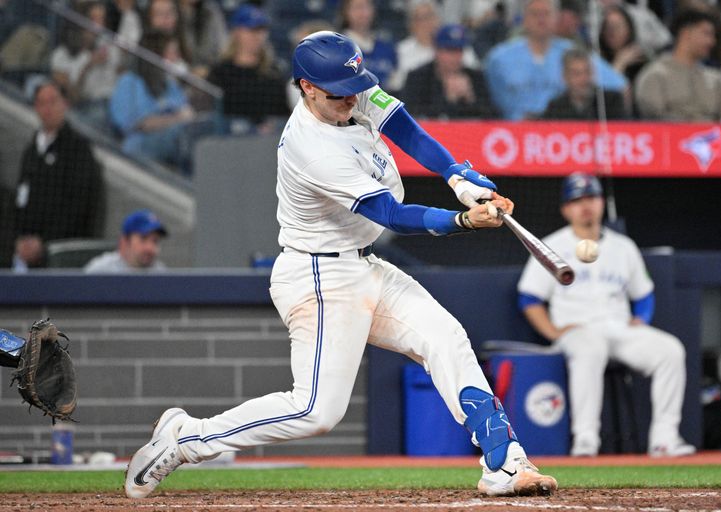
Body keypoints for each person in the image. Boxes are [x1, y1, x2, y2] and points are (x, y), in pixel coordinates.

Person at [125, 30, 558, 500]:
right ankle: (186, 438)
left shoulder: (349, 88)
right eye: (338, 93)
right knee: (315, 411)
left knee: (446, 338)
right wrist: (462, 219)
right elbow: (389, 214)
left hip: (364, 264)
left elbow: (406, 129)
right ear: (307, 87)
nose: (351, 99)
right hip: (318, 276)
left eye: (355, 87)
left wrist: (456, 173)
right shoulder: (310, 147)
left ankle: (505, 464)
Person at [517, 173, 695, 457]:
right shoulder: (550, 246)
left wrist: (643, 318)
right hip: (576, 331)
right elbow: (529, 298)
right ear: (566, 208)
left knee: (670, 350)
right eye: (576, 200)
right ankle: (585, 439)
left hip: (619, 328)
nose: (585, 205)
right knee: (590, 347)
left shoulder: (623, 247)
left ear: (602, 202)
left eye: (591, 197)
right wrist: (552, 332)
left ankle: (665, 439)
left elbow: (644, 293)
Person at [12, 81, 104, 271]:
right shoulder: (31, 151)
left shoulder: (78, 149)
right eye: (41, 103)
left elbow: (79, 205)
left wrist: (44, 242)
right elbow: (21, 198)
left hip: (63, 253)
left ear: (64, 104)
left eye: (53, 101)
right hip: (27, 254)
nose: (47, 109)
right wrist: (21, 240)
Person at [484, 0, 626, 120]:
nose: (541, 20)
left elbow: (620, 85)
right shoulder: (499, 58)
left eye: (546, 14)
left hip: (561, 131)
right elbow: (489, 99)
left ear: (556, 18)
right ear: (524, 18)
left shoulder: (573, 52)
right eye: (535, 14)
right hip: (512, 135)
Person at [108, 31, 195, 168]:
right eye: (172, 52)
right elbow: (141, 124)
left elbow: (187, 113)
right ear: (156, 55)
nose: (176, 57)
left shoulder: (168, 84)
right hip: (138, 146)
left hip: (169, 141)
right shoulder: (129, 81)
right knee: (181, 135)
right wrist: (177, 119)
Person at [634, 9, 721, 122]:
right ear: (686, 34)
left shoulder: (716, 79)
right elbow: (653, 119)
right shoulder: (655, 75)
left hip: (714, 137)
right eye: (706, 34)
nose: (712, 41)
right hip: (671, 137)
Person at [207, 4, 289, 134]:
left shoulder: (274, 73)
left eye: (261, 30)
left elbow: (283, 113)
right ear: (236, 32)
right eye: (251, 30)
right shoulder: (221, 72)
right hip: (229, 141)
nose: (257, 36)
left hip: (269, 141)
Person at [50, 1, 121, 126]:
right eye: (93, 19)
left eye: (102, 20)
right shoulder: (61, 55)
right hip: (82, 105)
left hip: (110, 103)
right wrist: (88, 66)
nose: (98, 25)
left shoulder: (109, 46)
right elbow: (72, 97)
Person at [401, 24, 495, 119]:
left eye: (459, 50)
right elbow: (413, 115)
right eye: (450, 50)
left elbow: (492, 116)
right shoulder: (418, 78)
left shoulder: (475, 77)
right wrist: (447, 99)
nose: (455, 57)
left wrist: (471, 99)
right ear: (436, 50)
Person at [541, 47, 629, 120]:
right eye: (576, 74)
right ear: (565, 77)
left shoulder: (610, 101)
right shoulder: (556, 107)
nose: (584, 79)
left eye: (587, 72)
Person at [84, 209, 168, 273]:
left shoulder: (160, 273)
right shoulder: (101, 271)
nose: (150, 248)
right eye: (143, 239)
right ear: (124, 242)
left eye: (155, 241)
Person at [337, 0, 397, 87]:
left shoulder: (386, 48)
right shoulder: (338, 46)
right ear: (346, 11)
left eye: (367, 7)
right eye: (357, 7)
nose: (363, 13)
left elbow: (394, 82)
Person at [598, 5, 649, 87]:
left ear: (629, 30)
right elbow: (604, 92)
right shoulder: (598, 60)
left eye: (617, 26)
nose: (612, 32)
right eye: (607, 27)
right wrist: (619, 63)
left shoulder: (640, 60)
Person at [178, 0, 227, 76]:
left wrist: (209, 70)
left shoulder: (210, 10)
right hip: (183, 71)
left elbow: (223, 47)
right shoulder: (172, 11)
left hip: (210, 69)